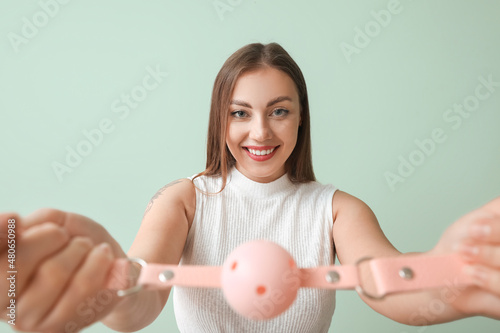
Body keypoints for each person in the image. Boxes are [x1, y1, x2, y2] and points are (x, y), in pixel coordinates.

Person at [1, 42, 499, 333]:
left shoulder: (338, 210)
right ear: (220, 121)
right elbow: (140, 300)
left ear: (301, 121)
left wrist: (454, 282)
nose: (259, 133)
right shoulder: (184, 200)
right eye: (240, 113)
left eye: (279, 111)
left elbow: (385, 287)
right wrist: (103, 274)